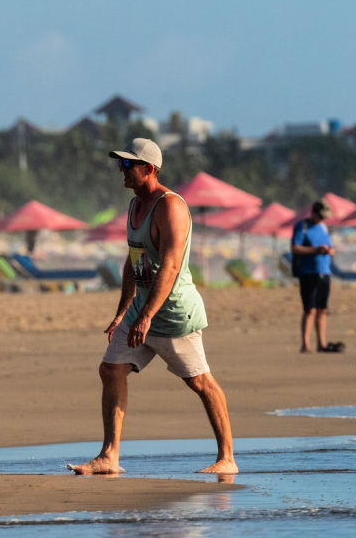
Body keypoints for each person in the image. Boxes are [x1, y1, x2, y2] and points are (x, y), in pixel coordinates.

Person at [68, 137, 238, 476]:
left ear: (150, 168)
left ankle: (227, 457)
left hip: (174, 313)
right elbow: (133, 262)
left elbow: (172, 265)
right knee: (111, 369)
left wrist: (146, 316)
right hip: (141, 309)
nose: (122, 170)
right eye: (121, 164)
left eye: (128, 165)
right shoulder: (134, 206)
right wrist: (123, 311)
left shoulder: (170, 206)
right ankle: (109, 456)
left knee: (200, 382)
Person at [291, 200, 341, 353]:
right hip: (308, 273)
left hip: (324, 272)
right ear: (313, 213)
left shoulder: (323, 227)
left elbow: (331, 248)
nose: (322, 219)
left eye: (324, 216)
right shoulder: (302, 227)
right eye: (320, 216)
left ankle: (322, 343)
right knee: (310, 309)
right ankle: (305, 344)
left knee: (322, 309)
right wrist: (315, 250)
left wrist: (328, 251)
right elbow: (295, 248)